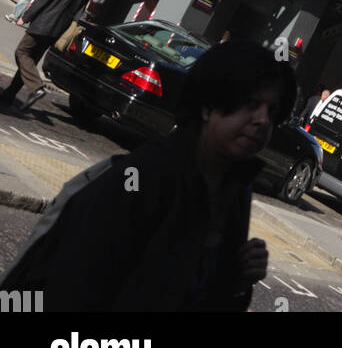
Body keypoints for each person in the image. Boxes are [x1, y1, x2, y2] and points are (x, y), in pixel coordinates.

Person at [0, 40, 295, 312]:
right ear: (209, 105)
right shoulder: (146, 177)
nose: (263, 121)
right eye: (251, 104)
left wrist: (236, 282)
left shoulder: (235, 189)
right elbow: (71, 289)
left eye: (273, 110)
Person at [0, 0, 95, 112]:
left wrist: (26, 16)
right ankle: (9, 95)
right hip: (60, 26)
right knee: (32, 58)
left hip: (45, 21)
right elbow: (82, 5)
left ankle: (36, 87)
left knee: (22, 52)